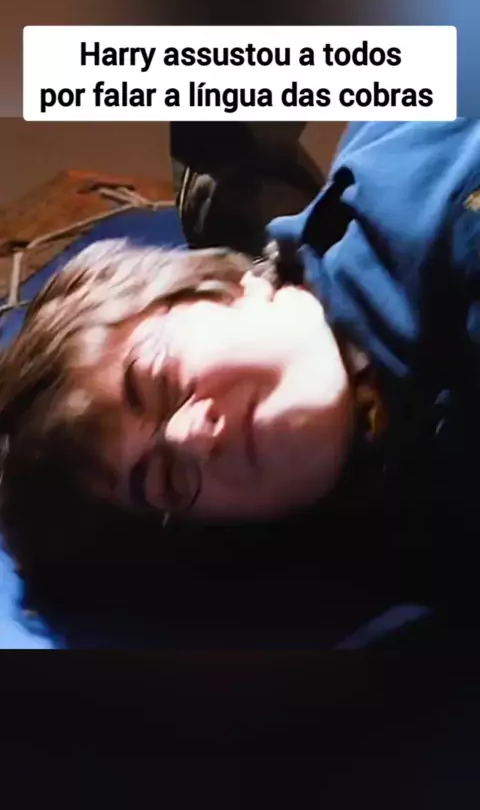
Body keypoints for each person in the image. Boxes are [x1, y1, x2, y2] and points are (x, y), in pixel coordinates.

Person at [1, 119, 480, 603]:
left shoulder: (442, 202)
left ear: (228, 287)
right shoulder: (374, 527)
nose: (191, 439)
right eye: (167, 479)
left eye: (161, 381)